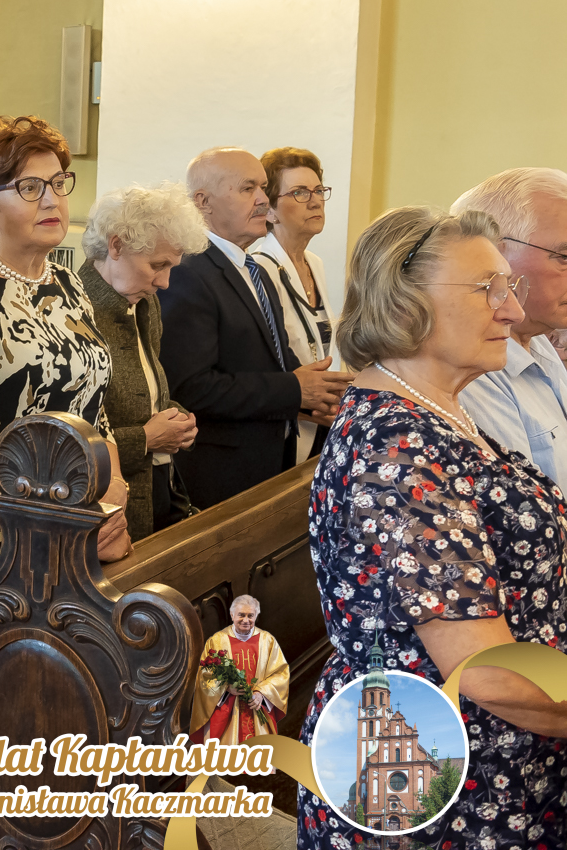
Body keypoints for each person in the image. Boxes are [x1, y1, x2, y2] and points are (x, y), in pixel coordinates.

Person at [296, 205, 567, 848]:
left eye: (509, 287)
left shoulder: (440, 411)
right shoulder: (397, 447)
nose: (511, 310)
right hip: (441, 776)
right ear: (404, 301)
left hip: (506, 760)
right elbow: (486, 671)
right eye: (487, 289)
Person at [0, 115, 131, 561]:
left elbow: (93, 407)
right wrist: (65, 529)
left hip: (88, 522)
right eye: (30, 188)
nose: (52, 200)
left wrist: (112, 492)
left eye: (57, 183)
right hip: (16, 546)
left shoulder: (66, 283)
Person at [157, 147, 352, 509]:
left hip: (270, 462)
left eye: (263, 188)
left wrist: (324, 393)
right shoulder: (188, 272)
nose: (263, 199)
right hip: (220, 476)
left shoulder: (255, 270)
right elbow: (190, 388)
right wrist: (295, 389)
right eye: (248, 189)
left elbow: (276, 362)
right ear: (203, 202)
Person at [78, 183, 205, 539]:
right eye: (157, 265)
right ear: (116, 245)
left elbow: (143, 387)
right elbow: (65, 440)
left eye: (171, 267)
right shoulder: (73, 309)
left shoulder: (145, 301)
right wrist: (146, 439)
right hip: (108, 508)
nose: (165, 282)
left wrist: (174, 416)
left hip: (160, 484)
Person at [453, 168, 567, 487]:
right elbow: (522, 503)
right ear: (495, 253)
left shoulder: (537, 338)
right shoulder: (469, 368)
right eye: (564, 256)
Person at [251, 146, 342, 461]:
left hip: (320, 424)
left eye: (318, 190)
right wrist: (306, 405)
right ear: (270, 210)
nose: (315, 201)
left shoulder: (314, 263)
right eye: (300, 192)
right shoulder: (258, 268)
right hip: (282, 430)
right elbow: (259, 370)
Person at [189, 595, 289, 744]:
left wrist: (261, 693)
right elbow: (204, 677)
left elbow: (280, 674)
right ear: (232, 615)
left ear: (256, 616)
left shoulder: (267, 641)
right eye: (241, 615)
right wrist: (226, 687)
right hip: (228, 714)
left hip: (256, 709)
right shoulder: (217, 641)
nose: (246, 620)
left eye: (250, 615)